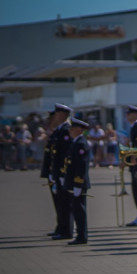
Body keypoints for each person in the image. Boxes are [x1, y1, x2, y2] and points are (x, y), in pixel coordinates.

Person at [41, 104, 73, 240]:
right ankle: (60, 227)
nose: (53, 117)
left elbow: (66, 154)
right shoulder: (58, 130)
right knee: (58, 202)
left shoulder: (66, 130)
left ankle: (66, 230)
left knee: (64, 202)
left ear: (63, 115)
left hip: (61, 173)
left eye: (56, 114)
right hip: (54, 172)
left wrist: (62, 173)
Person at [63, 118, 92, 245]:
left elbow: (81, 167)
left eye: (72, 129)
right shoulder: (75, 142)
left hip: (78, 183)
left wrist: (78, 184)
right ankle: (80, 235)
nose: (70, 131)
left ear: (79, 130)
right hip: (75, 183)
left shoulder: (81, 144)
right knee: (76, 210)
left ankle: (82, 236)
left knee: (79, 210)